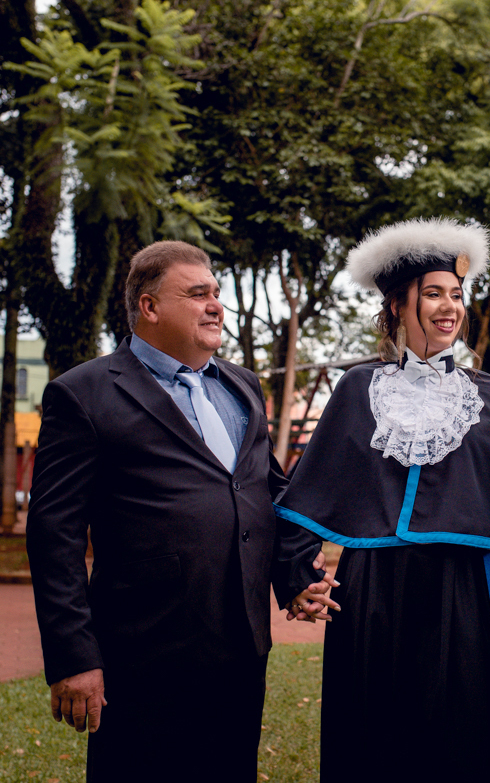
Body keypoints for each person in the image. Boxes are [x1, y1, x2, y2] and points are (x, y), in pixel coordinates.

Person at [274, 218, 490, 783]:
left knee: (466, 730)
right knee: (371, 733)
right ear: (396, 304)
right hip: (370, 588)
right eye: (433, 293)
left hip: (466, 587)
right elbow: (307, 494)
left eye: (456, 296)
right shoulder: (356, 390)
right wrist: (296, 577)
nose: (449, 307)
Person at [26, 241, 335, 782]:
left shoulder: (241, 385)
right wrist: (74, 655)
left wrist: (294, 576)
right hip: (142, 656)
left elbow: (268, 493)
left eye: (216, 293)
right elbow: (54, 536)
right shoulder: (83, 394)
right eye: (197, 294)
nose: (216, 304)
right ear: (149, 307)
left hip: (241, 648)